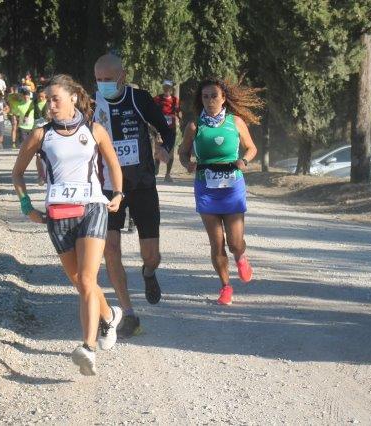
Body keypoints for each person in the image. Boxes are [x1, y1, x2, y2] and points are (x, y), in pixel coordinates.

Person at [12, 74, 125, 376]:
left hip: (92, 208)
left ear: (73, 97)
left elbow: (113, 163)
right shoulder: (40, 135)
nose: (49, 105)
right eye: (46, 100)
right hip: (58, 214)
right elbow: (17, 173)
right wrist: (26, 206)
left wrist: (117, 193)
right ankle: (109, 316)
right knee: (79, 282)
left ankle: (88, 347)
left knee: (87, 279)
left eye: (55, 99)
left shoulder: (94, 130)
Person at [93, 53, 174, 337]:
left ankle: (149, 272)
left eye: (108, 79)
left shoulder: (139, 99)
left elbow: (166, 129)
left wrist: (164, 148)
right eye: (98, 79)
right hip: (106, 188)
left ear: (122, 76)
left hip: (142, 185)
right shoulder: (92, 104)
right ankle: (128, 313)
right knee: (110, 249)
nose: (103, 84)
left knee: (151, 255)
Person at [178, 77, 260, 305]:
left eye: (214, 96)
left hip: (232, 186)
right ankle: (225, 287)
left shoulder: (236, 122)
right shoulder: (194, 126)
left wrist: (244, 161)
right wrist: (187, 164)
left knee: (235, 243)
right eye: (205, 97)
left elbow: (252, 148)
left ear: (223, 98)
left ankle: (241, 257)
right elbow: (183, 152)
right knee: (217, 243)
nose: (210, 100)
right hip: (206, 187)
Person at [153, 80, 181, 182]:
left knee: (170, 152)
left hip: (171, 129)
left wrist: (179, 120)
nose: (166, 89)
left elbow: (178, 112)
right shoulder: (157, 99)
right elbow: (152, 112)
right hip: (159, 129)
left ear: (171, 89)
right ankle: (156, 169)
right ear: (163, 88)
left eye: (168, 87)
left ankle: (167, 174)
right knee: (158, 150)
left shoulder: (175, 100)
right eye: (165, 87)